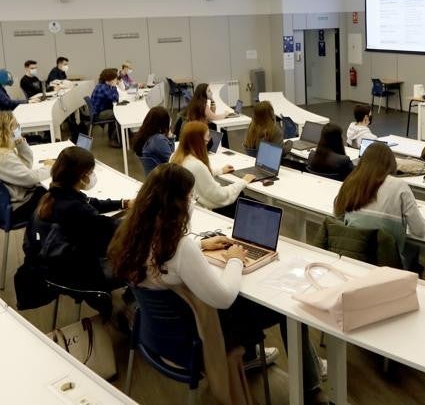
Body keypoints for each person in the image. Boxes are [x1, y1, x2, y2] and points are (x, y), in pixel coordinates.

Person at [107, 163, 321, 398]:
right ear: (176, 203)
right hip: (193, 339)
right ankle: (309, 382)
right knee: (287, 310)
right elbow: (224, 298)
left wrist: (201, 245)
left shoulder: (132, 233)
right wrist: (235, 259)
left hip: (156, 333)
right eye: (190, 196)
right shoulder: (180, 247)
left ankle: (250, 357)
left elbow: (163, 261)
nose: (193, 200)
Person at [25, 146, 132, 292]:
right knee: (139, 260)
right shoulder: (77, 210)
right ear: (82, 177)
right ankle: (131, 306)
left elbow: (90, 202)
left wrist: (122, 203)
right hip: (79, 274)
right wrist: (141, 217)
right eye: (91, 173)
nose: (92, 177)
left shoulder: (53, 195)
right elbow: (112, 227)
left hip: (56, 265)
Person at [333, 141, 425, 269]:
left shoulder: (351, 182)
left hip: (352, 260)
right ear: (391, 163)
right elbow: (420, 230)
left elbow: (338, 216)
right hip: (387, 265)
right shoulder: (400, 186)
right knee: (413, 249)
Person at [0, 111, 48, 224]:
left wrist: (19, 141)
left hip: (0, 207)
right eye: (15, 125)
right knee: (57, 194)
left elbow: (25, 167)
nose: (18, 128)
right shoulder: (3, 156)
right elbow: (30, 178)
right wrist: (52, 167)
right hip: (15, 208)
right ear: (6, 131)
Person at [172, 121, 252, 214]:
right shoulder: (197, 165)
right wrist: (243, 181)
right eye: (207, 138)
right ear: (200, 142)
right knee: (242, 197)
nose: (209, 140)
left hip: (184, 208)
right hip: (201, 210)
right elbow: (220, 196)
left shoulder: (175, 157)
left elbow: (196, 174)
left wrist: (220, 170)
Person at [131, 105, 173, 173]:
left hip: (152, 177)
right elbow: (173, 159)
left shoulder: (144, 135)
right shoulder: (158, 140)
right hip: (163, 177)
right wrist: (171, 137)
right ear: (163, 122)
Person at [88, 68, 121, 147]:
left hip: (102, 110)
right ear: (109, 79)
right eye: (115, 78)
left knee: (117, 112)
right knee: (119, 114)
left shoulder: (106, 86)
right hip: (98, 114)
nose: (117, 80)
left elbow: (115, 98)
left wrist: (114, 87)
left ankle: (117, 136)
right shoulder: (102, 88)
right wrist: (114, 87)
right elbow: (115, 99)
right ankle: (114, 139)